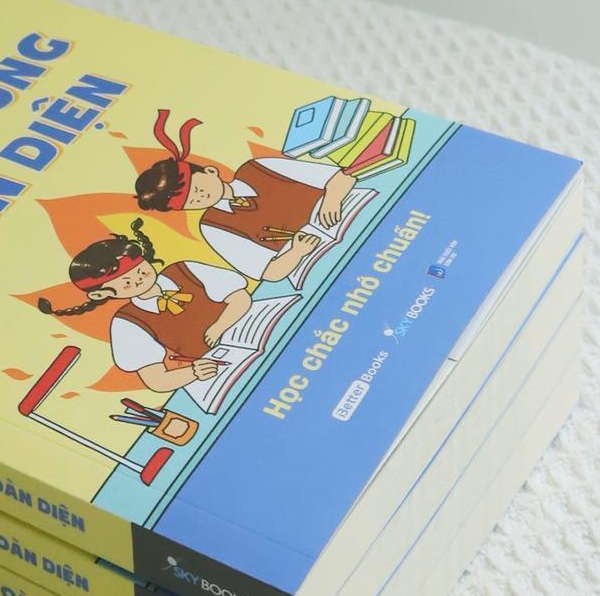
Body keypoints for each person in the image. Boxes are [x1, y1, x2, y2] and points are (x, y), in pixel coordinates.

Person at [36, 218, 252, 397]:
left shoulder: (184, 269)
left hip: (252, 328)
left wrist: (219, 327)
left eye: (140, 271)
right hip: (223, 366)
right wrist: (194, 372)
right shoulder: (127, 323)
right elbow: (157, 380)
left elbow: (241, 298)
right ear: (100, 294)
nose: (138, 279)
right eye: (126, 282)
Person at [135, 109, 358, 282]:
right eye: (190, 201)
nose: (199, 196)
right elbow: (268, 272)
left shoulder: (256, 168)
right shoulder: (213, 226)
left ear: (210, 171)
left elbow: (342, 177)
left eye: (197, 187)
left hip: (354, 215)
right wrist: (297, 253)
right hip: (319, 262)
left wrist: (332, 199)